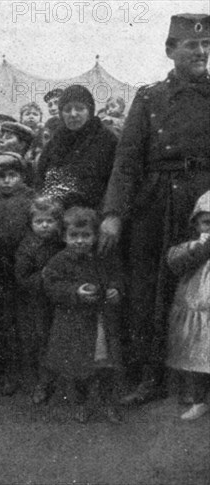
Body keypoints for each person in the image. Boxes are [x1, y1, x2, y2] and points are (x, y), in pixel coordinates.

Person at [99, 13, 210, 405]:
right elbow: (126, 160)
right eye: (192, 45)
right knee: (149, 288)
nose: (202, 51)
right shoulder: (149, 98)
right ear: (170, 50)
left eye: (206, 45)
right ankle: (150, 376)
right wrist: (114, 213)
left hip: (203, 202)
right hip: (155, 201)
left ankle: (200, 382)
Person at [43, 207, 124, 424]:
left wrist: (115, 289)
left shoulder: (103, 257)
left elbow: (117, 276)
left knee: (105, 366)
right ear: (64, 236)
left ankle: (108, 403)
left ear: (95, 235)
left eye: (86, 235)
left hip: (100, 322)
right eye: (74, 236)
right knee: (78, 368)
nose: (80, 241)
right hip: (75, 324)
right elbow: (50, 286)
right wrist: (75, 292)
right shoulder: (59, 261)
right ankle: (81, 403)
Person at [0, 153, 35, 395]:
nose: (7, 181)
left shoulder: (31, 198)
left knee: (29, 320)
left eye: (12, 175)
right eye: (1, 176)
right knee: (6, 320)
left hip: (27, 264)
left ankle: (32, 371)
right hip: (1, 265)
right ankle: (10, 372)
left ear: (21, 176)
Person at [15, 196, 65, 404]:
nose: (44, 225)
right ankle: (42, 383)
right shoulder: (28, 247)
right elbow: (22, 278)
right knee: (41, 340)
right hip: (38, 303)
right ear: (31, 223)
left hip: (61, 301)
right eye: (39, 221)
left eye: (49, 221)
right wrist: (43, 276)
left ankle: (66, 383)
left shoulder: (62, 243)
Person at [165, 190, 210, 420]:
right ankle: (199, 398)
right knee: (195, 353)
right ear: (196, 224)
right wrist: (200, 249)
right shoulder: (191, 247)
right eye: (206, 223)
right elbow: (174, 262)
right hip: (197, 307)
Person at [36, 84, 118, 210]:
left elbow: (115, 184)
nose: (73, 114)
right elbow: (41, 179)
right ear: (61, 113)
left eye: (80, 108)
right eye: (67, 109)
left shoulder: (107, 140)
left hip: (92, 214)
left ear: (90, 111)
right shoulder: (55, 141)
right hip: (55, 215)